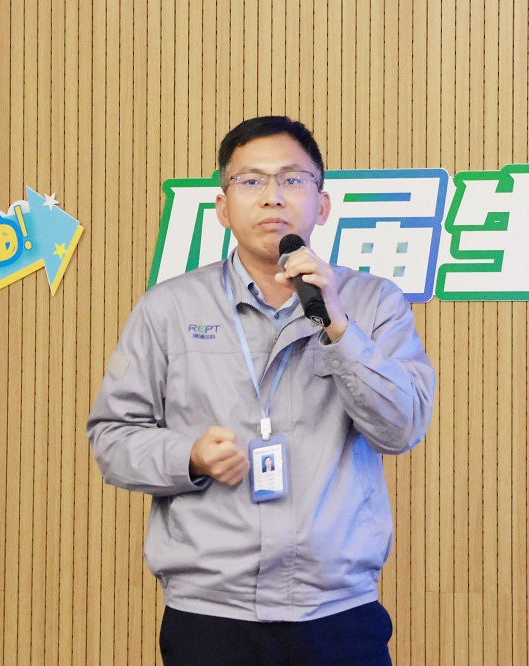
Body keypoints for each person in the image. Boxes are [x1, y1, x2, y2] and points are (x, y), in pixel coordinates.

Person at [87, 115, 435, 665]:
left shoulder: (373, 302)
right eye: (250, 181)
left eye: (292, 179)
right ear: (223, 208)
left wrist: (338, 326)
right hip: (211, 612)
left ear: (322, 205)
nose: (273, 196)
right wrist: (188, 456)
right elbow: (112, 438)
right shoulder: (169, 308)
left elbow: (402, 427)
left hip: (337, 609)